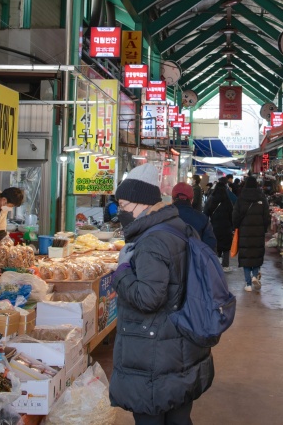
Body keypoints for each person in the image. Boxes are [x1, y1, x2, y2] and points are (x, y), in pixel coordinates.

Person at [109, 164, 214, 424]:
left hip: (154, 353)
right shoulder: (177, 226)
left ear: (140, 203)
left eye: (123, 205)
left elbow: (148, 298)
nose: (120, 211)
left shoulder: (151, 241)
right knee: (178, 418)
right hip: (181, 345)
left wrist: (121, 271)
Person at [233, 175, 271, 292]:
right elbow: (266, 217)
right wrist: (264, 229)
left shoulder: (241, 198)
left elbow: (235, 215)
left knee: (246, 257)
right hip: (258, 232)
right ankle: (255, 275)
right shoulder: (262, 198)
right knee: (256, 255)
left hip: (245, 232)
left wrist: (236, 226)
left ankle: (248, 284)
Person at [171, 182, 217, 252]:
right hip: (195, 261)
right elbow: (210, 247)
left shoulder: (162, 216)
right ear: (191, 200)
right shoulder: (203, 219)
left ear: (172, 199)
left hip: (167, 261)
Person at [204, 177, 235, 271]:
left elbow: (205, 212)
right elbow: (232, 214)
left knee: (215, 244)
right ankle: (225, 265)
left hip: (214, 226)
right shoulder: (228, 201)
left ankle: (215, 264)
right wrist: (232, 226)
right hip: (226, 227)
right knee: (226, 246)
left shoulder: (211, 199)